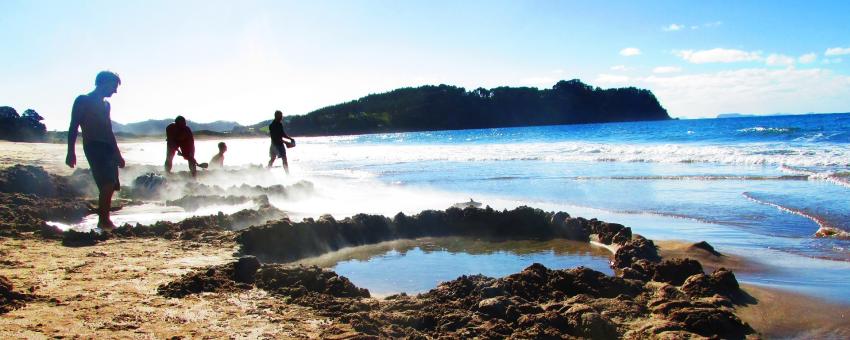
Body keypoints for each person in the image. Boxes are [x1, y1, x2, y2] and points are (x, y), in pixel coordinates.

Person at [66, 71, 125, 230]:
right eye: (113, 86)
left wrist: (118, 154)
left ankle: (104, 218)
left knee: (112, 184)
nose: (115, 91)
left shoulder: (106, 105)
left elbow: (109, 130)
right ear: (103, 83)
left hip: (108, 147)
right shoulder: (83, 100)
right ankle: (104, 220)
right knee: (107, 183)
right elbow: (73, 126)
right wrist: (70, 151)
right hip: (93, 145)